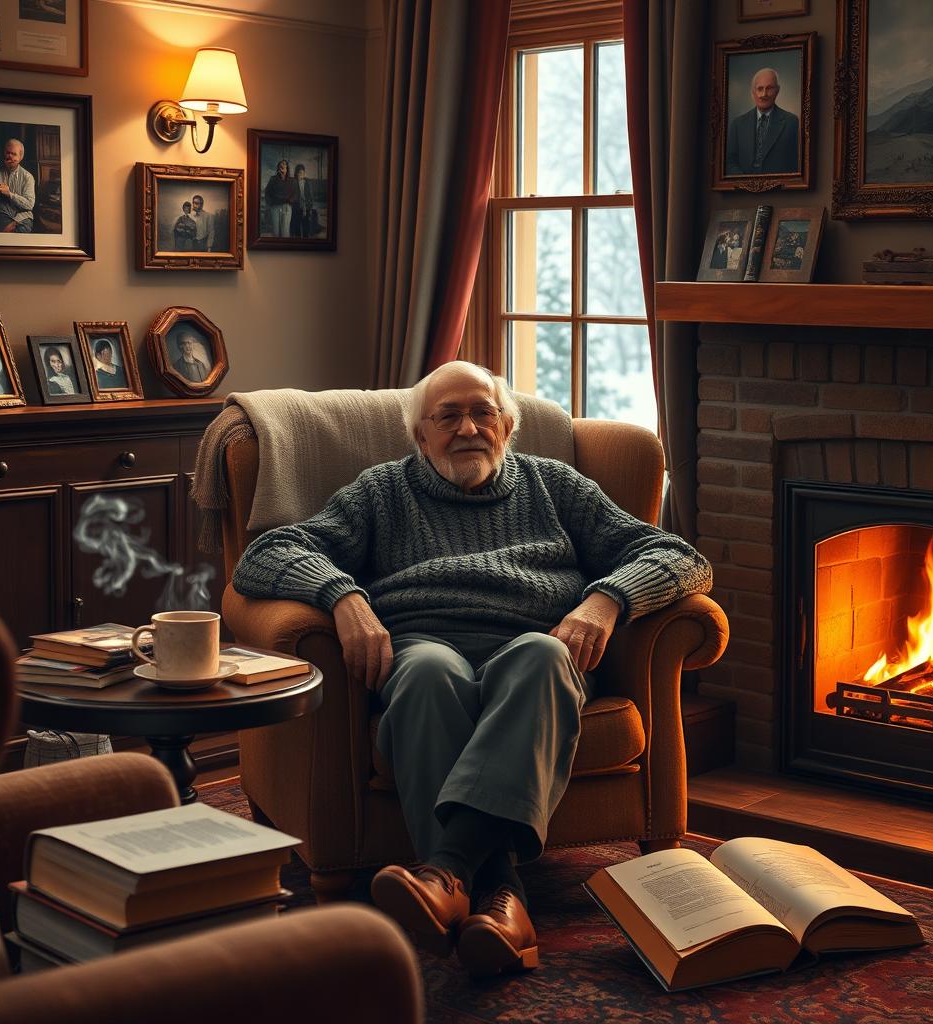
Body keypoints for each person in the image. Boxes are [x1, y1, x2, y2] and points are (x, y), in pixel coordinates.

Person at [231, 361, 712, 979]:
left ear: (508, 425)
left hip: (532, 643)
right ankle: (503, 900)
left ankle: (446, 874)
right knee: (428, 673)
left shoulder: (556, 486)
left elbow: (677, 555)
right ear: (420, 436)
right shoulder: (380, 492)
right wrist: (343, 597)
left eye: (483, 412)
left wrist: (608, 599)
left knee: (543, 657)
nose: (468, 428)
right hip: (423, 642)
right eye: (448, 416)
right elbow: (267, 555)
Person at [726, 67, 799, 176]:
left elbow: (795, 164)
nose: (764, 94)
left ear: (777, 91)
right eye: (760, 88)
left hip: (780, 191)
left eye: (769, 88)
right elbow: (730, 162)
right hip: (743, 191)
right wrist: (746, 183)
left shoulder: (791, 122)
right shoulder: (737, 124)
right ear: (753, 92)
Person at [0, 138, 35, 233]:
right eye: (8, 153)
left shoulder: (28, 177)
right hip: (3, 214)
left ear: (21, 157)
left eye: (14, 154)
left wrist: (10, 194)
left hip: (23, 218)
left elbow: (29, 205)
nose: (9, 156)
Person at [264, 159, 296, 237]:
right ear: (278, 167)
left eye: (284, 164)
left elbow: (295, 194)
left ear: (287, 167)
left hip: (286, 207)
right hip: (275, 207)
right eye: (281, 164)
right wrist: (270, 203)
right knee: (275, 231)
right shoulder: (273, 179)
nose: (283, 165)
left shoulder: (292, 180)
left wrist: (290, 201)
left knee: (285, 231)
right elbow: (267, 192)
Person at [289, 163, 314, 238]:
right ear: (296, 173)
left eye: (303, 173)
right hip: (296, 209)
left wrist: (309, 208)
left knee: (306, 229)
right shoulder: (293, 182)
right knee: (297, 230)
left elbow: (311, 197)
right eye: (299, 172)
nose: (301, 174)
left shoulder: (307, 182)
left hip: (306, 208)